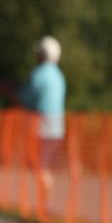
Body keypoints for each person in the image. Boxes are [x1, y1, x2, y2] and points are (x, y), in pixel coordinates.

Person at [20, 35, 66, 192]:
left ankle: (45, 204)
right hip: (57, 128)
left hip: (40, 126)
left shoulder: (38, 74)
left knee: (38, 165)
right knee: (43, 165)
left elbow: (26, 98)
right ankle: (44, 202)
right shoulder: (59, 76)